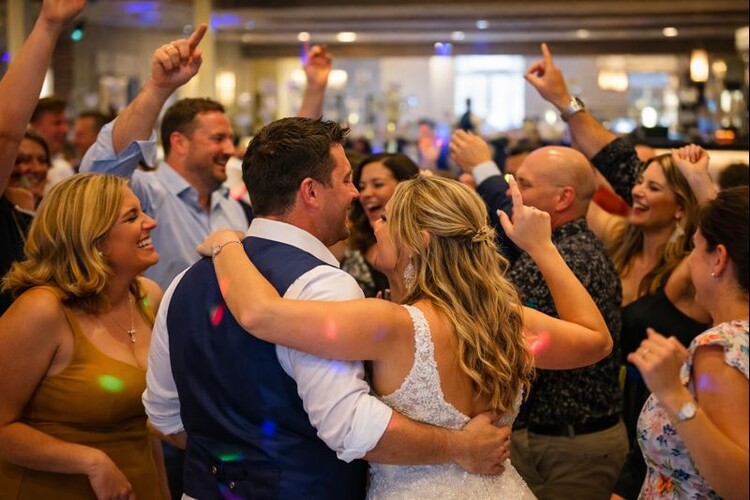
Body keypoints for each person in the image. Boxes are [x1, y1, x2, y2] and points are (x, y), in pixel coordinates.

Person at [145, 117, 520, 499]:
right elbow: (350, 426)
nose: (355, 194)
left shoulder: (184, 281)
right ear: (310, 191)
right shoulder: (324, 285)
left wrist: (234, 462)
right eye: (346, 180)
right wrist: (459, 446)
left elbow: (162, 416)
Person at [523, 43, 712, 498]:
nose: (637, 192)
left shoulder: (691, 267)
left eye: (653, 188)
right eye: (637, 184)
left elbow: (723, 231)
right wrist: (562, 102)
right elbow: (593, 176)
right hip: (618, 408)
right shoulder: (619, 240)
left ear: (682, 207)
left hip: (675, 409)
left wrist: (701, 184)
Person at [80, 29, 334, 292]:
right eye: (217, 139)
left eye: (230, 138)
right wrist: (158, 88)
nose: (229, 149)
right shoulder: (146, 196)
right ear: (179, 142)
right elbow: (101, 175)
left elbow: (291, 163)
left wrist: (315, 89)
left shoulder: (231, 206)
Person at [451, 132, 627, 499]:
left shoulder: (571, 255)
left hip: (566, 444)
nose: (512, 192)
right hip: (552, 439)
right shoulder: (553, 246)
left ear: (563, 198)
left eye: (524, 184)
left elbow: (519, 341)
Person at [0, 173, 169, 499]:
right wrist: (89, 462)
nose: (151, 223)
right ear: (94, 240)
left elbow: (145, 423)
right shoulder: (42, 310)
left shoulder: (148, 297)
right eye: (132, 217)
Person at [629, 185, 748, 499]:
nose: (690, 260)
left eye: (694, 248)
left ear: (718, 258)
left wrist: (672, 393)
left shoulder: (720, 347)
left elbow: (740, 484)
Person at [0, 0, 82, 315]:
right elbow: (6, 133)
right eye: (18, 160)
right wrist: (48, 25)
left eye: (38, 161)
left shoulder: (39, 218)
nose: (28, 169)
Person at [342, 153, 419, 297]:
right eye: (361, 187)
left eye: (378, 184)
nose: (365, 194)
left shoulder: (424, 246)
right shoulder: (351, 239)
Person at [30, 95, 75, 191]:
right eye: (57, 123)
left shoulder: (62, 167)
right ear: (34, 126)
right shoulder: (17, 168)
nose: (65, 129)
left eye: (65, 123)